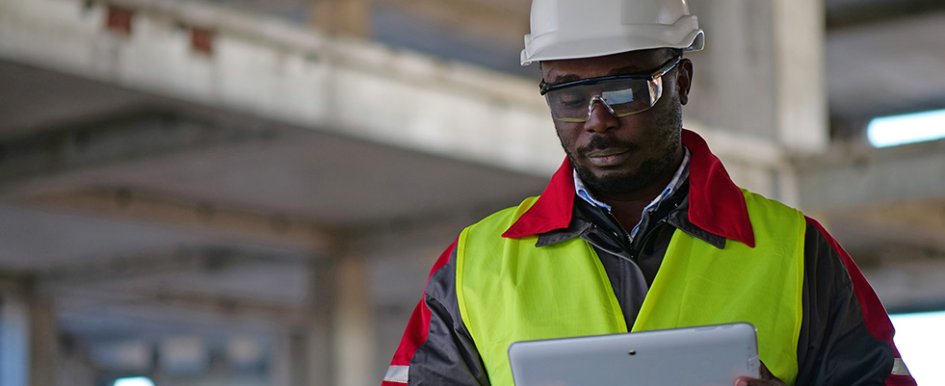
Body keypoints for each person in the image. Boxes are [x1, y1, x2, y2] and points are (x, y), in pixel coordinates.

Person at [382, 0, 916, 385]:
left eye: (623, 90)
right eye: (569, 93)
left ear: (681, 81)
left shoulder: (796, 252)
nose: (597, 121)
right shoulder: (476, 266)